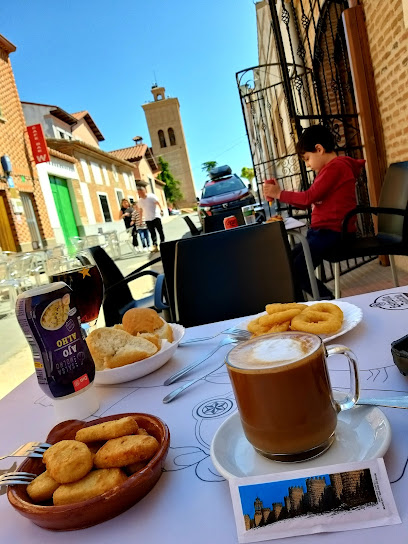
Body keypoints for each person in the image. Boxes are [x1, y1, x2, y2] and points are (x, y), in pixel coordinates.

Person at [264, 124, 365, 300]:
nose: (308, 165)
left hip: (333, 234)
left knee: (298, 268)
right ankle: (300, 305)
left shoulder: (336, 167)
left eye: (307, 159)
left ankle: (329, 302)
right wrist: (282, 194)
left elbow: (308, 197)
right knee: (287, 263)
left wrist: (278, 194)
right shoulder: (328, 170)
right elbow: (308, 202)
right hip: (322, 233)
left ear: (319, 149)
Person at [136, 186, 165, 253]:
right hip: (147, 219)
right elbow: (140, 211)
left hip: (156, 216)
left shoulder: (151, 197)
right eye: (138, 193)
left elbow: (158, 203)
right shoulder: (140, 201)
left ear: (144, 191)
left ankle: (163, 243)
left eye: (140, 192)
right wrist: (140, 220)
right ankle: (155, 246)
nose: (139, 194)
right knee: (152, 233)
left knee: (160, 231)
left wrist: (161, 210)